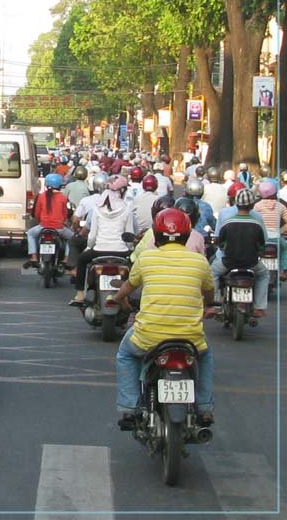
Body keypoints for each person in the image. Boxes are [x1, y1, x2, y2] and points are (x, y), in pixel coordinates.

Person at [111, 208, 215, 428]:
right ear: (187, 234)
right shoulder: (200, 262)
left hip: (147, 338)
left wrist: (119, 300)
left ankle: (129, 408)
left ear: (156, 235)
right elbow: (208, 294)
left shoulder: (146, 258)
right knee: (205, 357)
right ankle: (204, 408)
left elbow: (127, 288)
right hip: (190, 339)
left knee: (125, 356)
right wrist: (206, 307)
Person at [69, 175, 138, 306]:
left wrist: (89, 247)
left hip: (98, 251)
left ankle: (80, 294)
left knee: (82, 259)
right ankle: (128, 297)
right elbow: (129, 235)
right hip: (121, 252)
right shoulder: (127, 209)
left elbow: (92, 235)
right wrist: (130, 249)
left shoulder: (97, 209)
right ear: (122, 191)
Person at [211, 188, 270, 316]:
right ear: (253, 205)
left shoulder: (227, 223)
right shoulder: (257, 223)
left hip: (229, 263)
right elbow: (262, 244)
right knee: (264, 275)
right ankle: (259, 307)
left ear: (235, 204)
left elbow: (221, 245)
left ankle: (214, 303)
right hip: (251, 263)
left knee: (213, 273)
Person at [24, 173, 74, 268]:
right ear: (60, 185)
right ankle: (66, 259)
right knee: (72, 239)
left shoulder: (41, 196)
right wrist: (63, 222)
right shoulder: (63, 197)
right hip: (59, 228)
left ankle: (34, 257)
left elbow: (37, 213)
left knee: (30, 233)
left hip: (43, 226)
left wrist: (41, 221)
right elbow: (65, 214)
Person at [254, 179, 287, 282]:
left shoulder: (257, 206)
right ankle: (282, 270)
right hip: (276, 238)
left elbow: (254, 220)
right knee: (285, 249)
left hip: (262, 238)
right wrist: (281, 231)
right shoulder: (280, 206)